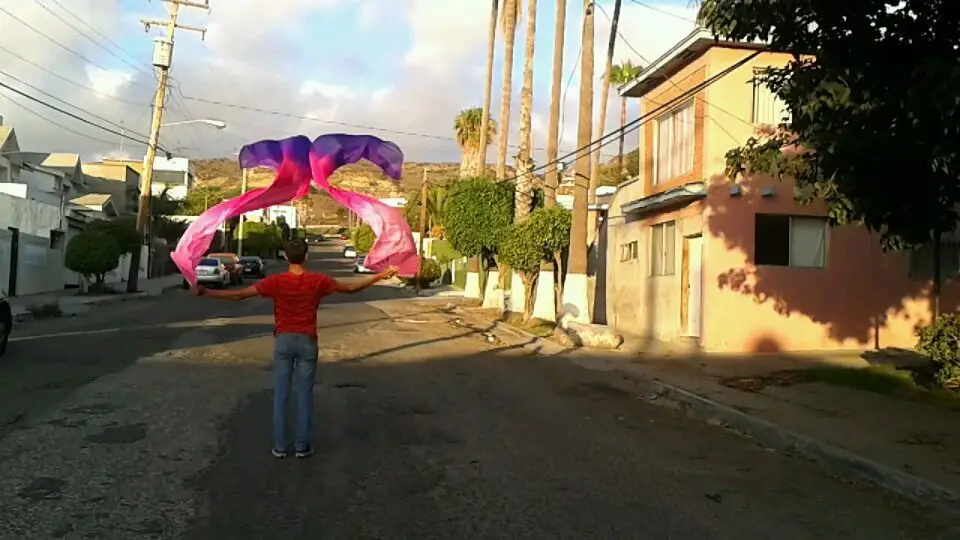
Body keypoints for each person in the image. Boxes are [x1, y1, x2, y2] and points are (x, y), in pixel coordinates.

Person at [191, 237, 397, 458]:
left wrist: (207, 292)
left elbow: (240, 295)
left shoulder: (276, 281)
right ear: (306, 256)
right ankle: (302, 446)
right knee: (305, 395)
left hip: (284, 341)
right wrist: (381, 275)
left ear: (286, 257)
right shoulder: (318, 280)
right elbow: (351, 288)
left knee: (281, 395)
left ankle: (280, 447)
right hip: (307, 340)